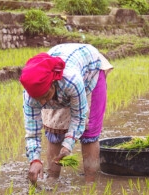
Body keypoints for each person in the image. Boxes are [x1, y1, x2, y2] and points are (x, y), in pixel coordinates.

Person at [20, 43, 113, 187]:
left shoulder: (71, 81)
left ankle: (90, 183)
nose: (44, 102)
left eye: (46, 96)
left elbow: (79, 116)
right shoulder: (31, 95)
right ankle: (51, 180)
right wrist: (35, 160)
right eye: (39, 99)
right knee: (53, 128)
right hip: (63, 76)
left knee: (88, 130)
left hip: (90, 71)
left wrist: (68, 144)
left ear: (53, 83)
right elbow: (32, 132)